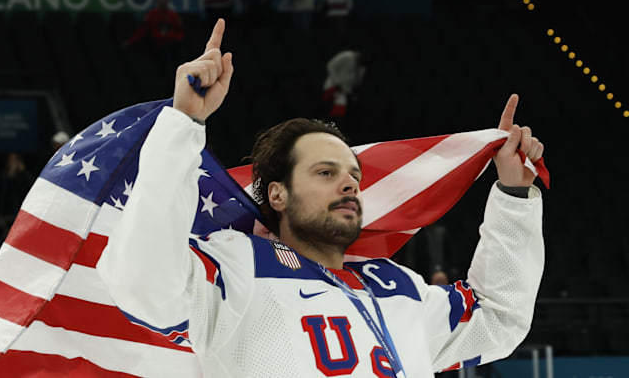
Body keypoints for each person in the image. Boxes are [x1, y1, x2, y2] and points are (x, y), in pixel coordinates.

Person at [99, 20, 546, 377]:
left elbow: (497, 319)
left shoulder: (398, 286)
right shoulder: (236, 267)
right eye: (326, 173)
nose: (350, 184)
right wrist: (183, 123)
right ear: (277, 193)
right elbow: (145, 283)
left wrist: (512, 193)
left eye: (353, 175)